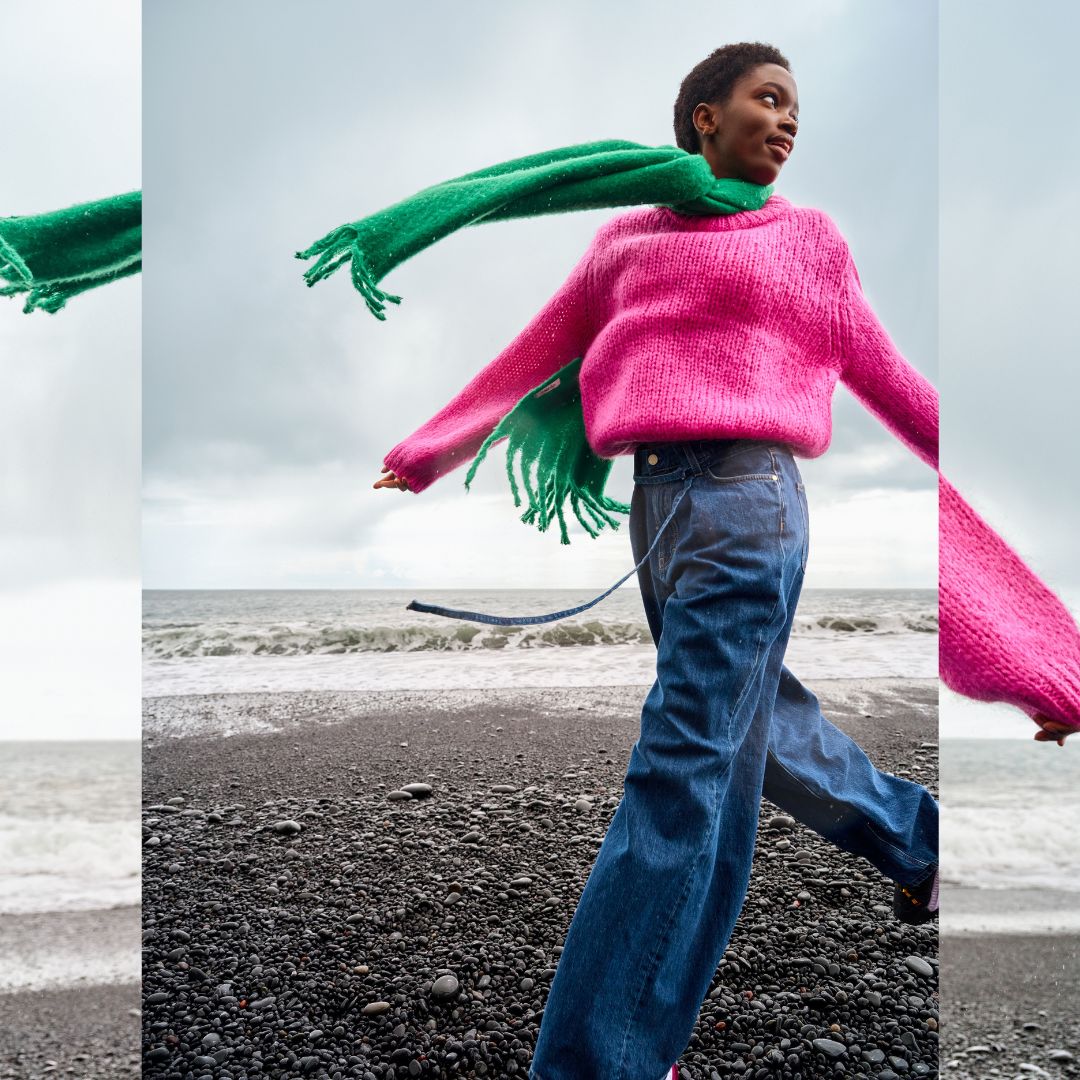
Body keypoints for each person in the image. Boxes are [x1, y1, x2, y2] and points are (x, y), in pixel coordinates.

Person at [364, 42, 1079, 1080]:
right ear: (704, 117)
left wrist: (1026, 614)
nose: (788, 122)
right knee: (757, 735)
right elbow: (538, 348)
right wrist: (426, 451)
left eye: (798, 108)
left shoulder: (812, 244)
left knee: (682, 768)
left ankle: (600, 1060)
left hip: (750, 508)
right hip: (656, 507)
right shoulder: (627, 243)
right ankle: (926, 844)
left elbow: (896, 386)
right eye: (768, 99)